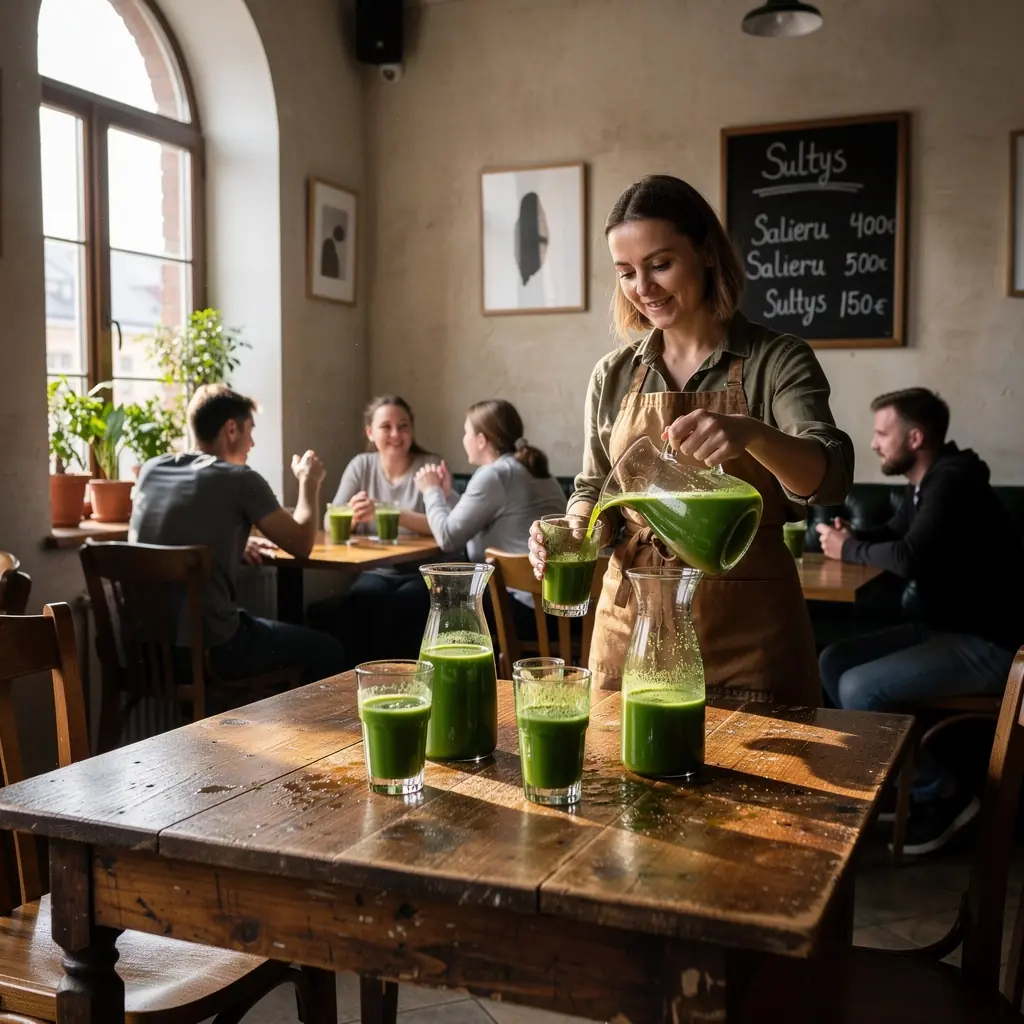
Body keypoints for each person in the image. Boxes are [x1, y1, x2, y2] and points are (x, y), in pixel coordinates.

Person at [528, 174, 854, 703]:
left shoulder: (777, 359)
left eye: (660, 265)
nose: (643, 288)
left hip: (746, 626)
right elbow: (594, 490)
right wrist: (577, 528)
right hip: (629, 621)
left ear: (705, 253)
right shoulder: (612, 374)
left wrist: (751, 434)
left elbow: (831, 476)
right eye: (626, 272)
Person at [817, 388, 1024, 855]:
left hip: (990, 643)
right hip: (944, 628)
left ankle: (943, 793)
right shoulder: (926, 482)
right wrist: (852, 536)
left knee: (857, 689)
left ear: (915, 437)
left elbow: (911, 556)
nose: (873, 443)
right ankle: (899, 785)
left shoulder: (953, 482)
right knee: (833, 661)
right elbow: (895, 536)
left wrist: (847, 550)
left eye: (881, 433)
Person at [129, 383, 346, 690]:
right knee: (328, 650)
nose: (252, 442)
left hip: (145, 651)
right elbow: (301, 545)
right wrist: (309, 483)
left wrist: (232, 544)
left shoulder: (152, 469)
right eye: (250, 431)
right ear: (231, 429)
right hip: (212, 653)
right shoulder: (240, 479)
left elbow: (174, 527)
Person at [308, 395, 454, 664]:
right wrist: (352, 515)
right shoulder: (361, 465)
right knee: (360, 601)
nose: (396, 434)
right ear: (370, 432)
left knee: (404, 605)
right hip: (377, 569)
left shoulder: (429, 465)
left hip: (422, 570)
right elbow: (330, 523)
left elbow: (445, 526)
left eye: (404, 425)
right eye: (386, 426)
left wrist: (390, 513)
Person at [414, 400, 565, 635]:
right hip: (556, 607)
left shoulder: (494, 475)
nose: (464, 439)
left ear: (481, 440)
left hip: (524, 608)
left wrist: (430, 491)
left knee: (427, 600)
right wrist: (446, 495)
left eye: (466, 432)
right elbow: (478, 516)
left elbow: (447, 538)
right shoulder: (527, 469)